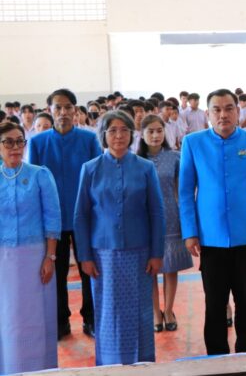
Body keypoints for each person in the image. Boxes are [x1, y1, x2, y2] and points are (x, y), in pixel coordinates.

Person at [179, 89, 246, 355]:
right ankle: (217, 357)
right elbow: (185, 192)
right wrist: (190, 232)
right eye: (217, 109)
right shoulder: (193, 143)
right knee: (214, 303)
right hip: (210, 239)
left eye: (229, 108)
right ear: (208, 114)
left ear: (237, 111)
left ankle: (245, 353)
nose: (223, 114)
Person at [73, 111, 165, 365]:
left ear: (132, 134)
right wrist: (84, 256)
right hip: (103, 255)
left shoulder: (145, 168)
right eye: (112, 130)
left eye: (124, 130)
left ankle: (142, 362)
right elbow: (80, 215)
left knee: (140, 309)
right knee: (108, 310)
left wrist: (157, 253)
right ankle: (110, 363)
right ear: (103, 134)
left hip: (140, 252)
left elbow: (156, 212)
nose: (119, 136)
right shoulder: (90, 169)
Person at [27, 89, 103, 340]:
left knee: (88, 270)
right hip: (52, 221)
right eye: (58, 107)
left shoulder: (88, 139)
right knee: (56, 273)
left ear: (75, 110)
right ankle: (60, 321)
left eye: (68, 107)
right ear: (49, 110)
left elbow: (98, 178)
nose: (63, 112)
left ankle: (90, 318)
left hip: (85, 216)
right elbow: (33, 183)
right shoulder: (38, 142)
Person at [0, 122, 60, 375]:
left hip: (36, 259)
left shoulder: (40, 175)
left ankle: (39, 368)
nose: (15, 147)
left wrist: (50, 257)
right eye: (8, 142)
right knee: (7, 317)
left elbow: (52, 218)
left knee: (35, 317)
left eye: (19, 141)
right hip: (4, 260)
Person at [137, 115, 192, 332]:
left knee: (171, 267)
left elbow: (182, 191)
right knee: (149, 269)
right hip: (144, 220)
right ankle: (155, 313)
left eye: (159, 130)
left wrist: (186, 219)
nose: (155, 135)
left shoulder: (175, 157)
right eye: (150, 131)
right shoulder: (135, 160)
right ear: (142, 134)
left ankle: (168, 310)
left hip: (171, 217)